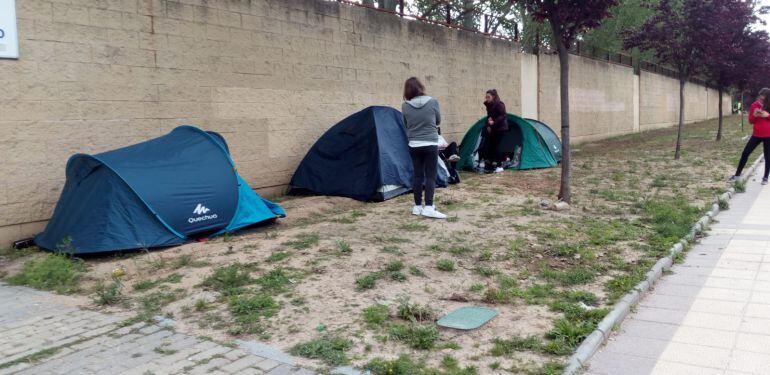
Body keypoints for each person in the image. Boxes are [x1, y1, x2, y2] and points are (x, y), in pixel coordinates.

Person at [402, 77, 447, 219]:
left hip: (414, 144)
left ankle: (417, 207)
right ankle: (428, 207)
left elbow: (406, 124)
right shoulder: (433, 102)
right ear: (421, 87)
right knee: (431, 176)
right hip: (430, 144)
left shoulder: (405, 106)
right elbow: (438, 120)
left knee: (417, 175)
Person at [730, 88, 770, 185]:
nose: (760, 100)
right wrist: (755, 115)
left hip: (768, 135)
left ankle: (765, 178)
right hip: (756, 134)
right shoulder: (754, 105)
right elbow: (751, 121)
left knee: (768, 156)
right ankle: (737, 175)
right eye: (759, 98)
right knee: (745, 153)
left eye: (763, 99)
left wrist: (767, 115)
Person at [482, 89, 509, 173]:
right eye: (486, 97)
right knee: (492, 146)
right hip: (494, 128)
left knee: (496, 146)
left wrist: (494, 122)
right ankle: (504, 159)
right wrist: (488, 125)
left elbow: (503, 116)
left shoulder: (499, 104)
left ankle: (500, 166)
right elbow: (489, 117)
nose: (487, 99)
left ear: (493, 97)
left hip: (501, 128)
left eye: (488, 97)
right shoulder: (489, 105)